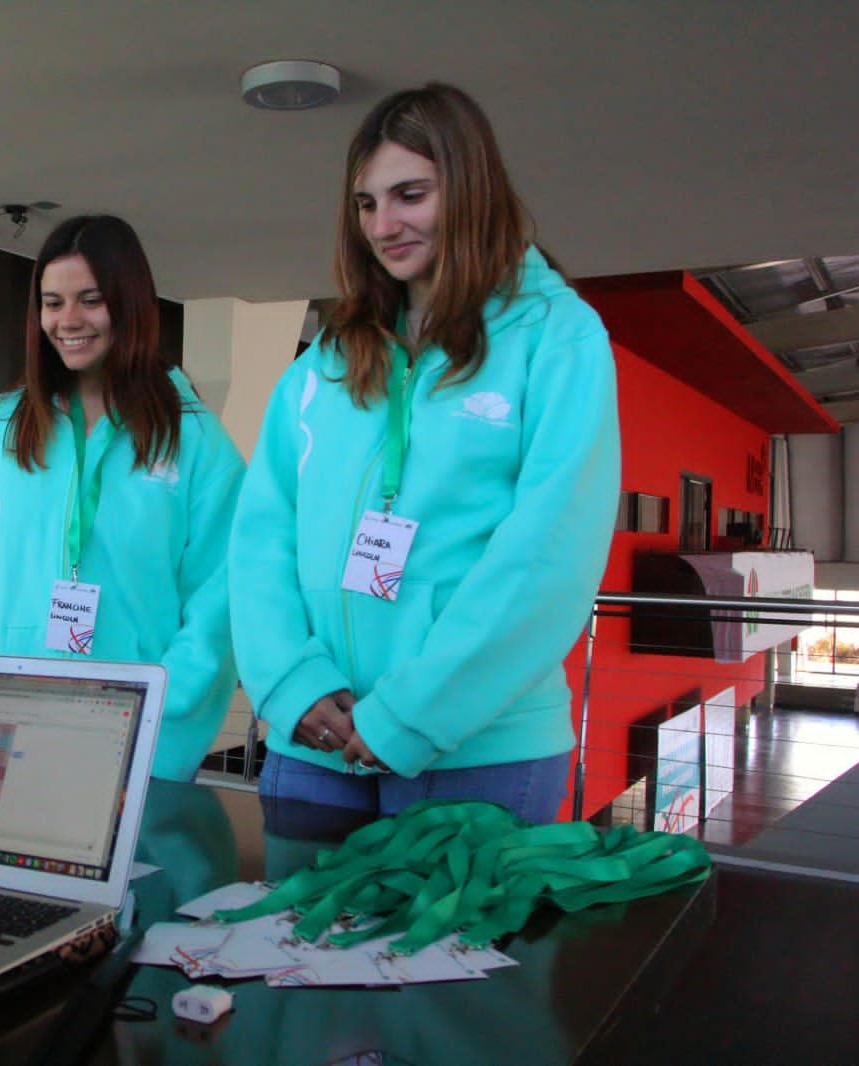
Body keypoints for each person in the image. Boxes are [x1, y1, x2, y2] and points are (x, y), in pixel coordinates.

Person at [229, 83, 621, 840]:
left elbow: (548, 552)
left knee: (436, 962)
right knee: (284, 955)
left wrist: (413, 713)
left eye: (409, 195)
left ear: (469, 189)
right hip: (315, 737)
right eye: (365, 204)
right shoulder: (327, 359)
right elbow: (259, 535)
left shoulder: (557, 335)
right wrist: (287, 682)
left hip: (479, 747)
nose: (383, 225)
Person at [0, 215, 245, 781]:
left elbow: (219, 599)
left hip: (140, 743)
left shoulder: (194, 439)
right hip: (11, 735)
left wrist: (158, 712)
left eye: (90, 300)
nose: (67, 321)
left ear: (130, 304)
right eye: (52, 302)